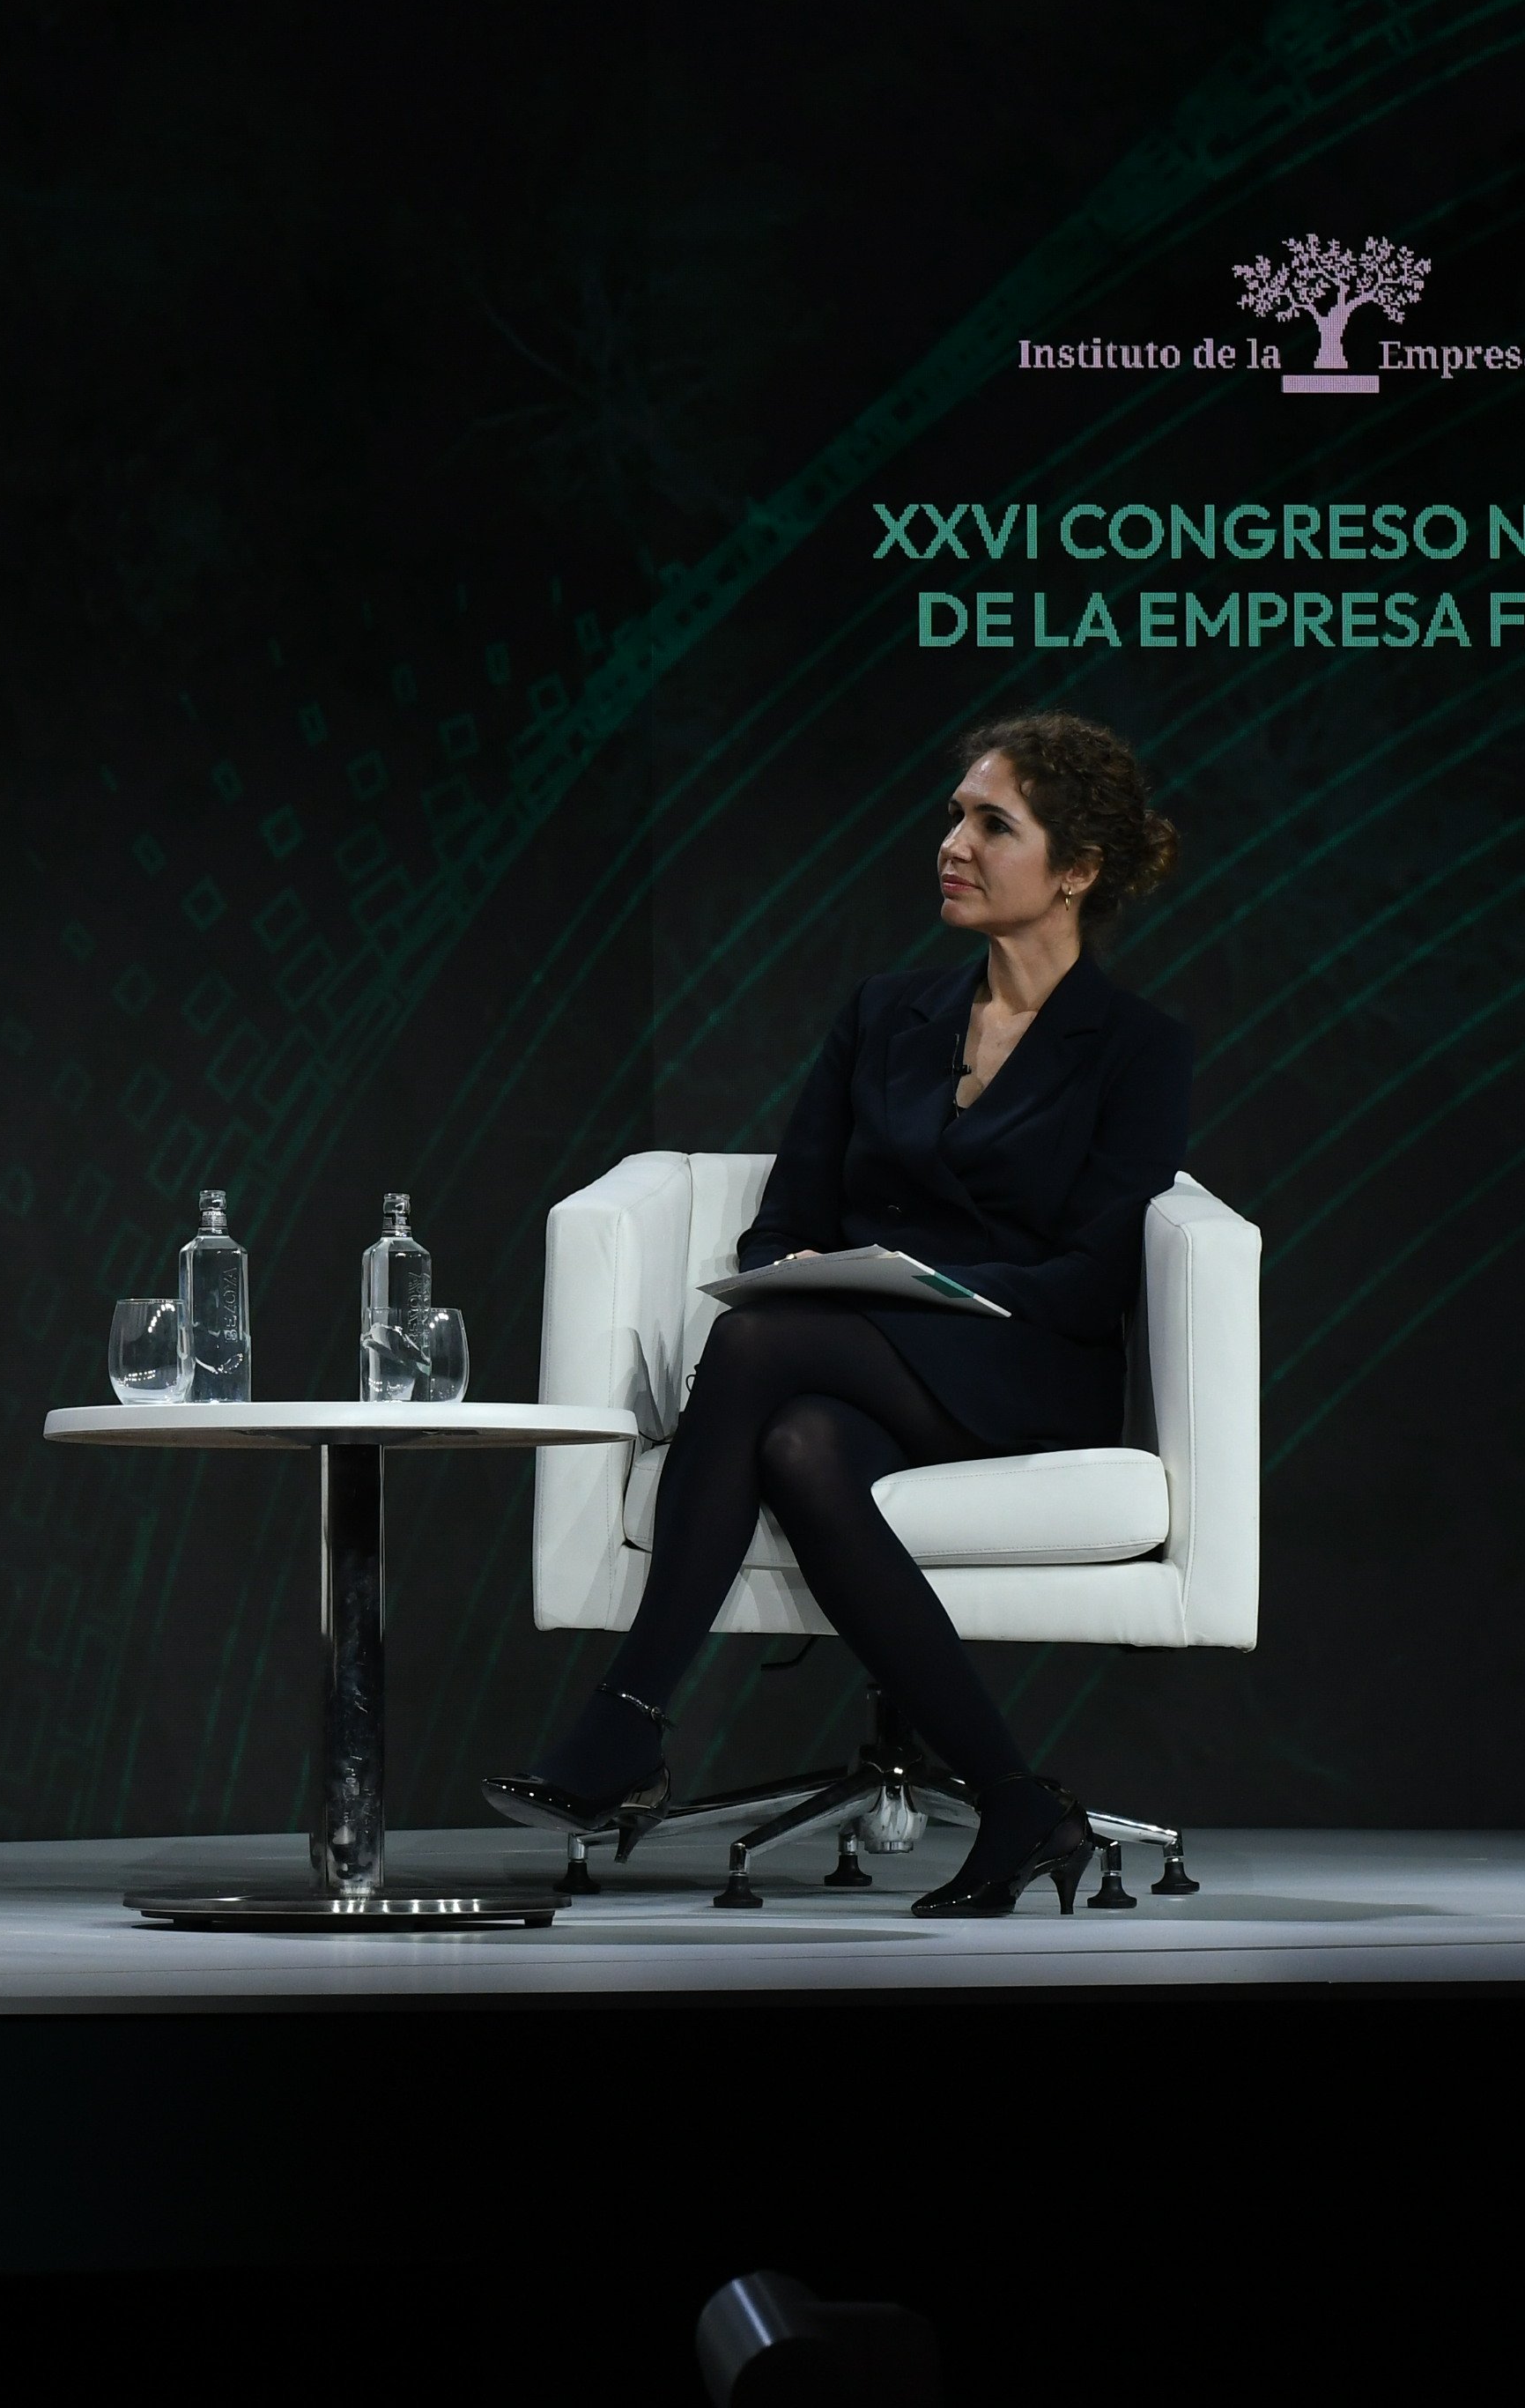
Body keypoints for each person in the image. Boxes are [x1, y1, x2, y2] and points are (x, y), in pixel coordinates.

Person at [489, 711, 1189, 1918]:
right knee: (798, 1443)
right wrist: (809, 1264)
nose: (951, 842)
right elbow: (780, 1222)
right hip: (871, 1364)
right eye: (954, 814)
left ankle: (628, 1722)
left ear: (1075, 871)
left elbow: (1092, 1276)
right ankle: (1017, 1805)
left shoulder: (1135, 1048)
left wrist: (938, 1290)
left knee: (759, 1345)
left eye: (991, 823)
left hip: (1024, 1374)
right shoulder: (886, 1015)